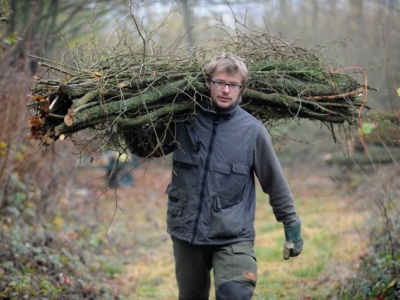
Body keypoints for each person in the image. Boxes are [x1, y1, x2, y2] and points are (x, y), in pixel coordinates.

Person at [121, 53, 303, 300]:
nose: (225, 89)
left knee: (235, 293)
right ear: (208, 83)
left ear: (241, 89)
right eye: (220, 82)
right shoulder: (184, 120)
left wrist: (291, 226)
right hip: (187, 232)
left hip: (232, 235)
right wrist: (125, 117)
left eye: (233, 84)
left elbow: (274, 182)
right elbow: (144, 148)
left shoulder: (252, 132)